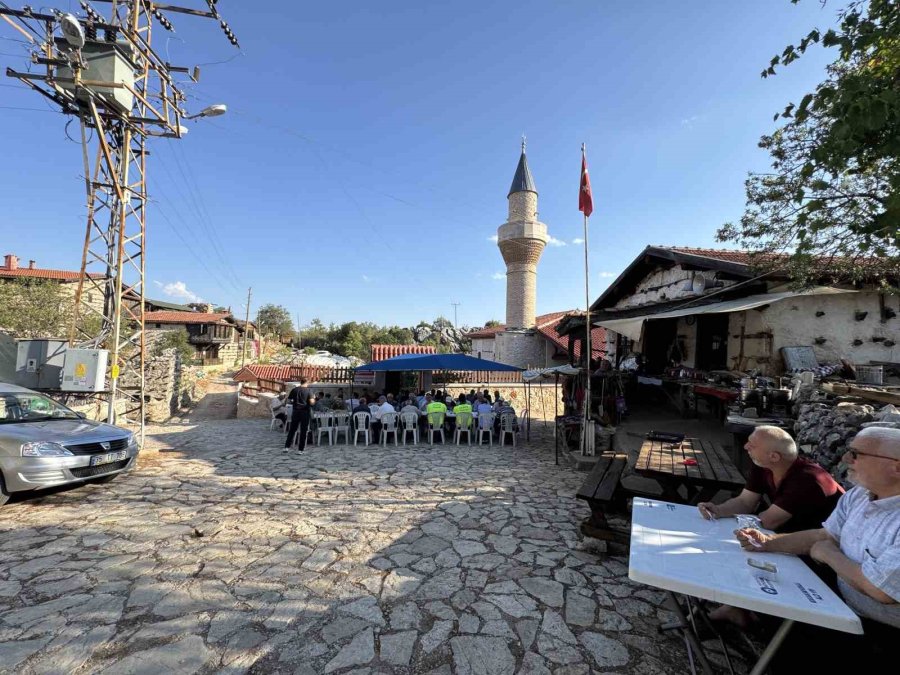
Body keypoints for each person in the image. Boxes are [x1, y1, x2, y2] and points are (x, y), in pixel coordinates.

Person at [734, 427, 900, 666]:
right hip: (840, 603)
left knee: (790, 643)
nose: (845, 459)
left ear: (896, 466)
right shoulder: (860, 495)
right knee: (766, 595)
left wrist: (828, 553)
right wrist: (767, 542)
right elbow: (823, 535)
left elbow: (881, 590)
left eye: (856, 454)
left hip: (880, 630)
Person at [698, 426, 844, 533]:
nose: (745, 446)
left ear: (774, 457)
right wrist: (718, 510)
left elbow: (768, 522)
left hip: (820, 553)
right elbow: (745, 502)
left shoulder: (807, 479)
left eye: (752, 445)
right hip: (793, 537)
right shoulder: (764, 465)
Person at [284, 379, 313, 452]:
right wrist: (314, 399)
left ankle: (286, 447)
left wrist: (295, 403)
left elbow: (289, 400)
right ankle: (300, 450)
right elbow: (312, 403)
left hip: (296, 412)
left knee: (292, 430)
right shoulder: (309, 391)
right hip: (305, 412)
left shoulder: (294, 390)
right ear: (307, 382)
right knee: (303, 431)